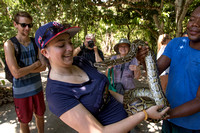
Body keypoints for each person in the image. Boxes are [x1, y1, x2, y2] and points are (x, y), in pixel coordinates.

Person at [35, 21, 169, 133]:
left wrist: (138, 104)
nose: (69, 48)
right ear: (45, 52)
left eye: (70, 42)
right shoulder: (56, 94)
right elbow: (100, 131)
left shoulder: (81, 62)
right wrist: (144, 114)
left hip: (126, 124)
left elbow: (105, 91)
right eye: (61, 45)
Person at [137, 6, 200, 133]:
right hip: (168, 120)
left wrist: (166, 113)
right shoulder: (176, 44)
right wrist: (143, 59)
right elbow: (155, 72)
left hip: (192, 126)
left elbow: (199, 101)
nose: (195, 24)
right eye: (192, 19)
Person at [4, 11, 46, 133]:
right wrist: (34, 65)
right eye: (23, 25)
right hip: (21, 92)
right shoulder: (9, 44)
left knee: (40, 115)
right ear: (15, 24)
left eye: (29, 25)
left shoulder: (35, 43)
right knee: (24, 121)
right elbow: (16, 73)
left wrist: (23, 70)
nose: (27, 28)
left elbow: (43, 67)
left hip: (37, 88)